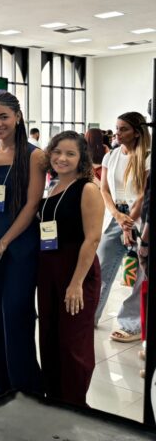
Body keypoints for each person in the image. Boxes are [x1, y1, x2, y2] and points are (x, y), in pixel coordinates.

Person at [0, 92, 44, 399]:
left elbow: (31, 206)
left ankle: (24, 389)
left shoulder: (34, 155)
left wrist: (3, 243)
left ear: (17, 116)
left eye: (3, 116)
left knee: (15, 313)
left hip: (19, 246)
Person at [37, 131, 103, 406]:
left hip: (76, 271)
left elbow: (92, 239)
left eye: (70, 154)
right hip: (49, 270)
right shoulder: (52, 185)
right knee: (50, 336)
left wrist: (76, 283)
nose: (62, 158)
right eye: (57, 152)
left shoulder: (87, 188)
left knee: (72, 342)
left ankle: (75, 404)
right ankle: (54, 399)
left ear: (81, 158)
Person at [94, 112, 151, 342]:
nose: (117, 133)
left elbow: (144, 196)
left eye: (123, 129)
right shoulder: (111, 155)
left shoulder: (147, 156)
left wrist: (128, 224)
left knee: (140, 274)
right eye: (117, 128)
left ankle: (132, 324)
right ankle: (91, 316)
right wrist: (118, 217)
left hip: (140, 219)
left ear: (136, 132)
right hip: (117, 217)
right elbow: (104, 190)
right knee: (101, 265)